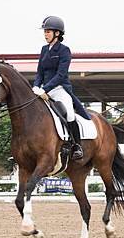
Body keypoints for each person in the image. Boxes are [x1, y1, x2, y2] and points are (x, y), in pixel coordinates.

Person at [32, 16, 91, 160]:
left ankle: (76, 146)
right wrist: (35, 86)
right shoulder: (44, 49)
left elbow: (61, 74)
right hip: (43, 90)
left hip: (59, 89)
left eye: (48, 31)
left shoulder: (64, 50)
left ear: (57, 33)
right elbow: (40, 72)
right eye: (44, 32)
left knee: (69, 114)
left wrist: (45, 88)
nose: (45, 34)